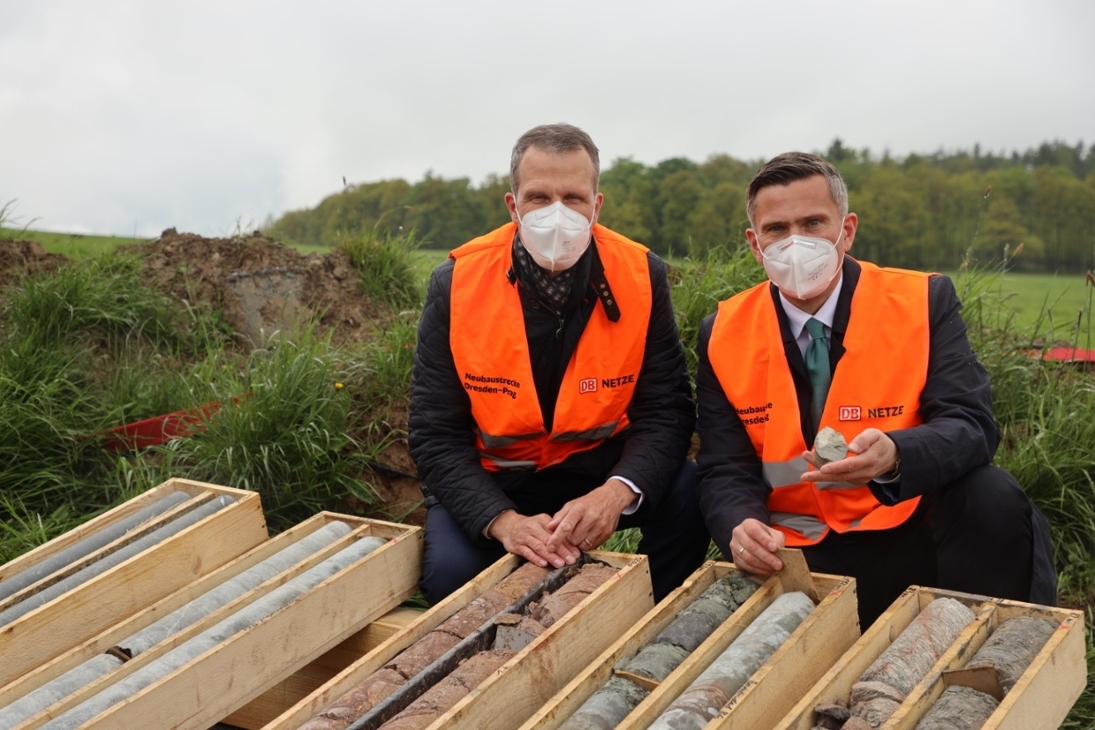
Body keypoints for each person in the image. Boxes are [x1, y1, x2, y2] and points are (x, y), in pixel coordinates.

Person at [696, 151, 1056, 626]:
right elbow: (725, 466)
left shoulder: (922, 301)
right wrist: (740, 526)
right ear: (754, 243)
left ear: (846, 230)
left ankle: (1003, 650)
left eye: (813, 223)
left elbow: (972, 426)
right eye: (777, 230)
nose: (795, 243)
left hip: (910, 529)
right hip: (800, 549)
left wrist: (896, 454)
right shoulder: (722, 331)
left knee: (992, 493)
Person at [409, 123, 709, 604]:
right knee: (448, 577)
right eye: (538, 197)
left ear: (597, 205)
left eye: (573, 197)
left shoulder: (641, 274)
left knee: (689, 491)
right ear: (513, 206)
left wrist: (615, 494)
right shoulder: (456, 283)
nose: (557, 214)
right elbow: (434, 433)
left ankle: (653, 620)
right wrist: (502, 521)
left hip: (595, 468)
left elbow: (666, 411)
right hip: (498, 480)